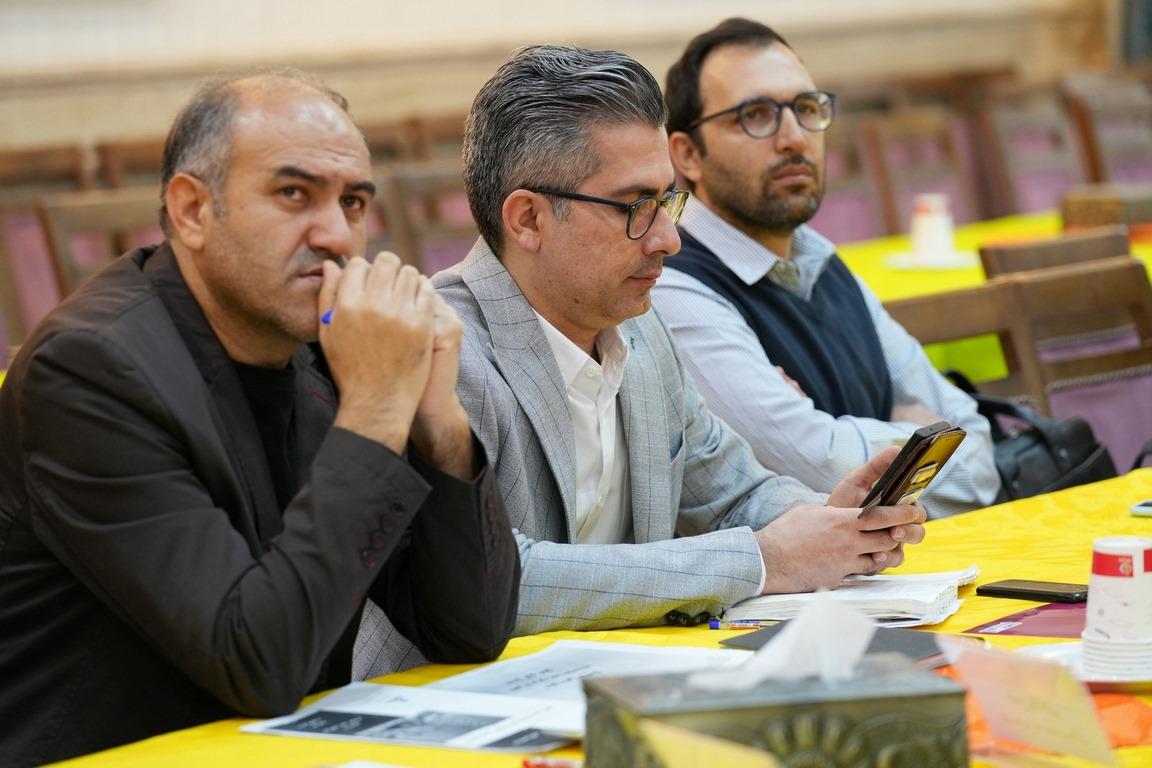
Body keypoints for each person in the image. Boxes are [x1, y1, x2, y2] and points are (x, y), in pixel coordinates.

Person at [0, 71, 519, 766]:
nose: (335, 235)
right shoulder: (90, 371)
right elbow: (260, 665)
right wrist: (375, 409)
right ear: (192, 210)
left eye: (353, 202)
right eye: (293, 194)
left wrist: (438, 423)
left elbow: (471, 629)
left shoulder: (325, 341)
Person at [415, 45, 924, 646]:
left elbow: (733, 491)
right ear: (528, 219)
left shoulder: (641, 329)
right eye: (636, 206)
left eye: (668, 202)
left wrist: (830, 521)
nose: (668, 240)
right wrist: (764, 559)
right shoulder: (441, 352)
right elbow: (500, 580)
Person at [656, 18, 1001, 519]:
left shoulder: (821, 261)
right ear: (688, 155)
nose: (794, 138)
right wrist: (915, 431)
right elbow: (819, 469)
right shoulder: (674, 285)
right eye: (755, 115)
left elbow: (980, 457)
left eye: (806, 108)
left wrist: (859, 441)